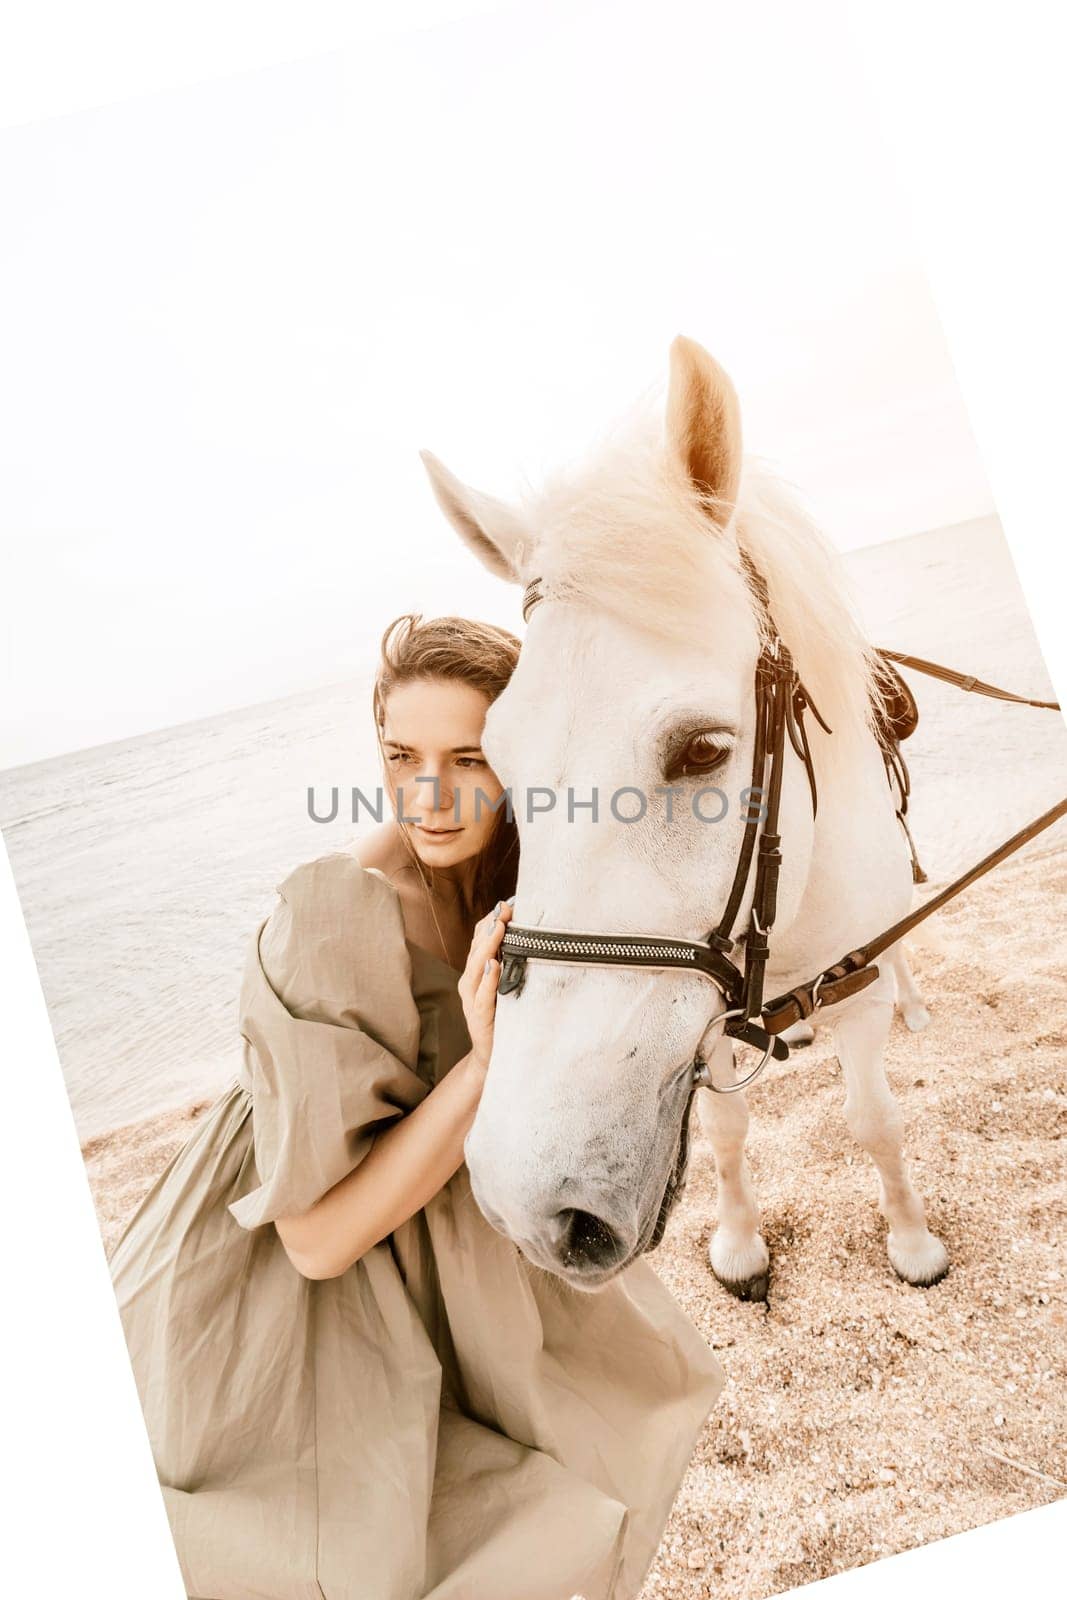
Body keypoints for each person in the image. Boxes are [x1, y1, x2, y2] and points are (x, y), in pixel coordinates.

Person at [108, 612, 724, 1600]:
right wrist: (483, 1064)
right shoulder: (331, 916)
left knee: (626, 1420)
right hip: (291, 1269)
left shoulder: (530, 868)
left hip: (442, 1224)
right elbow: (313, 1239)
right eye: (400, 757)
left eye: (470, 759)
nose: (429, 796)